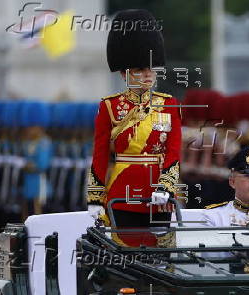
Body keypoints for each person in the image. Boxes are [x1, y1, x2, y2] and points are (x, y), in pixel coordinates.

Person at [86, 9, 181, 247]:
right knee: (124, 256)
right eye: (140, 70)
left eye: (150, 69)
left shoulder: (168, 104)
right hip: (122, 191)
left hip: (159, 193)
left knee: (160, 256)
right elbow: (99, 156)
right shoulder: (110, 107)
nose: (148, 75)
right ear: (124, 73)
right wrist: (95, 198)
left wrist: (167, 187)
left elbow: (174, 151)